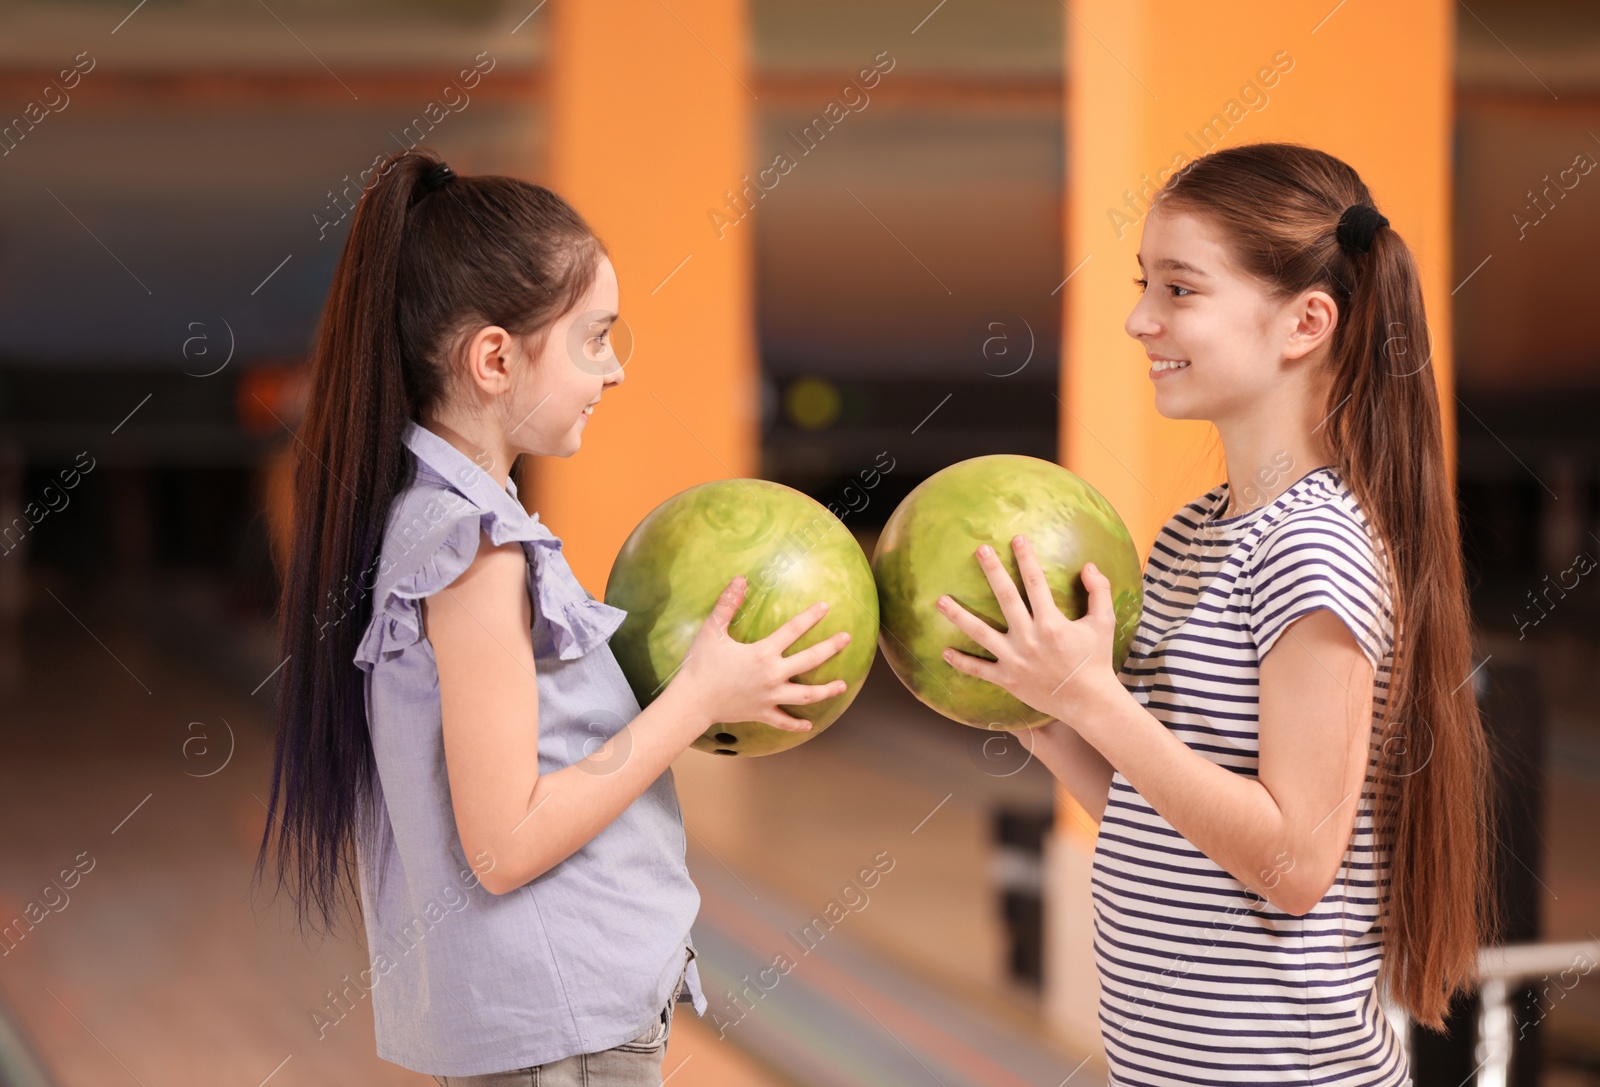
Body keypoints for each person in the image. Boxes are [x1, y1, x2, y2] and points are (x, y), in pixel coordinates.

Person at [252, 147, 853, 1085]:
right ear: (495, 357)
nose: (612, 371)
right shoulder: (475, 550)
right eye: (595, 338)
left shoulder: (431, 513)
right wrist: (694, 701)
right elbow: (506, 845)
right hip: (556, 1034)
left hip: (547, 1019)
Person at [937, 142, 1498, 1084]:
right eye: (1143, 283)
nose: (1138, 318)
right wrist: (1043, 714)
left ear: (1305, 322)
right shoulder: (1197, 532)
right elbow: (1164, 818)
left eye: (1180, 289)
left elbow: (1293, 861)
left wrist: (1094, 699)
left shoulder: (1312, 547)